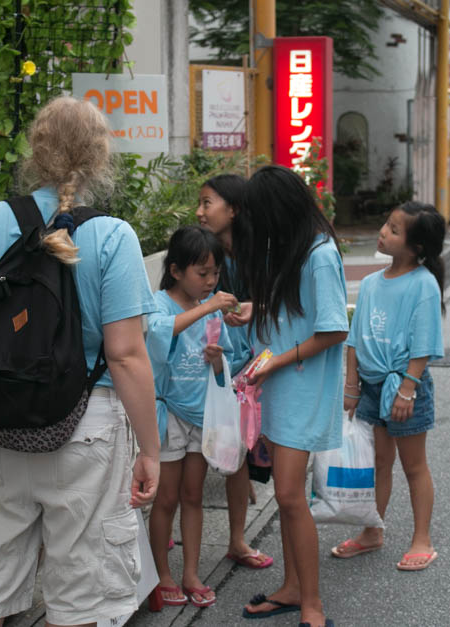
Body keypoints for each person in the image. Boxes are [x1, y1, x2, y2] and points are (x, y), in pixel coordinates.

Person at [0, 97, 161, 627]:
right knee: (81, 602)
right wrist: (150, 449)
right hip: (85, 432)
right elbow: (125, 355)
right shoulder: (112, 235)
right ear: (101, 156)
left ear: (34, 149)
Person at [235, 166, 348, 627]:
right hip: (280, 386)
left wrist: (275, 361)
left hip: (301, 386)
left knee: (288, 494)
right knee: (286, 498)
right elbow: (290, 310)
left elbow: (334, 329)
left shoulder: (319, 254)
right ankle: (292, 588)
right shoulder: (288, 248)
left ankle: (313, 605)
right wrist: (253, 310)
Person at [333, 202, 445, 574]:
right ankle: (372, 531)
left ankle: (422, 539)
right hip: (370, 386)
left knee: (414, 466)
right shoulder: (369, 283)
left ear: (415, 248)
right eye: (387, 224)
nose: (383, 231)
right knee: (379, 462)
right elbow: (353, 339)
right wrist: (351, 384)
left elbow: (424, 345)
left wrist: (408, 391)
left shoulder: (423, 284)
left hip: (404, 387)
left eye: (394, 230)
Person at [146, 225, 237, 608]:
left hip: (202, 415)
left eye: (215, 273)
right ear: (177, 270)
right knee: (165, 498)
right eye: (203, 273)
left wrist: (218, 363)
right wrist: (207, 306)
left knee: (193, 496)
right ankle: (161, 574)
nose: (210, 281)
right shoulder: (159, 303)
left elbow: (224, 367)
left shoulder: (211, 310)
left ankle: (191, 573)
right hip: (168, 416)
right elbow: (156, 337)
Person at [196, 174, 275, 570]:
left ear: (234, 209)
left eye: (208, 202)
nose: (200, 211)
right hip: (209, 363)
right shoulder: (203, 252)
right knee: (213, 449)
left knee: (242, 449)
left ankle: (237, 540)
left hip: (257, 365)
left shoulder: (260, 255)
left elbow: (279, 303)